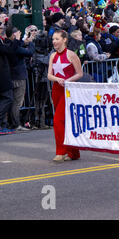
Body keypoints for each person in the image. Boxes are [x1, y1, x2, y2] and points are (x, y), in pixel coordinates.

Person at [47, 29, 83, 162]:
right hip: (56, 89)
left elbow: (80, 73)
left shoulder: (72, 55)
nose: (54, 42)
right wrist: (57, 79)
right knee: (66, 121)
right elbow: (49, 75)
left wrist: (68, 80)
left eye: (57, 39)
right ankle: (73, 153)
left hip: (68, 90)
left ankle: (61, 152)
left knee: (58, 121)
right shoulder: (52, 56)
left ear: (64, 40)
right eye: (53, 39)